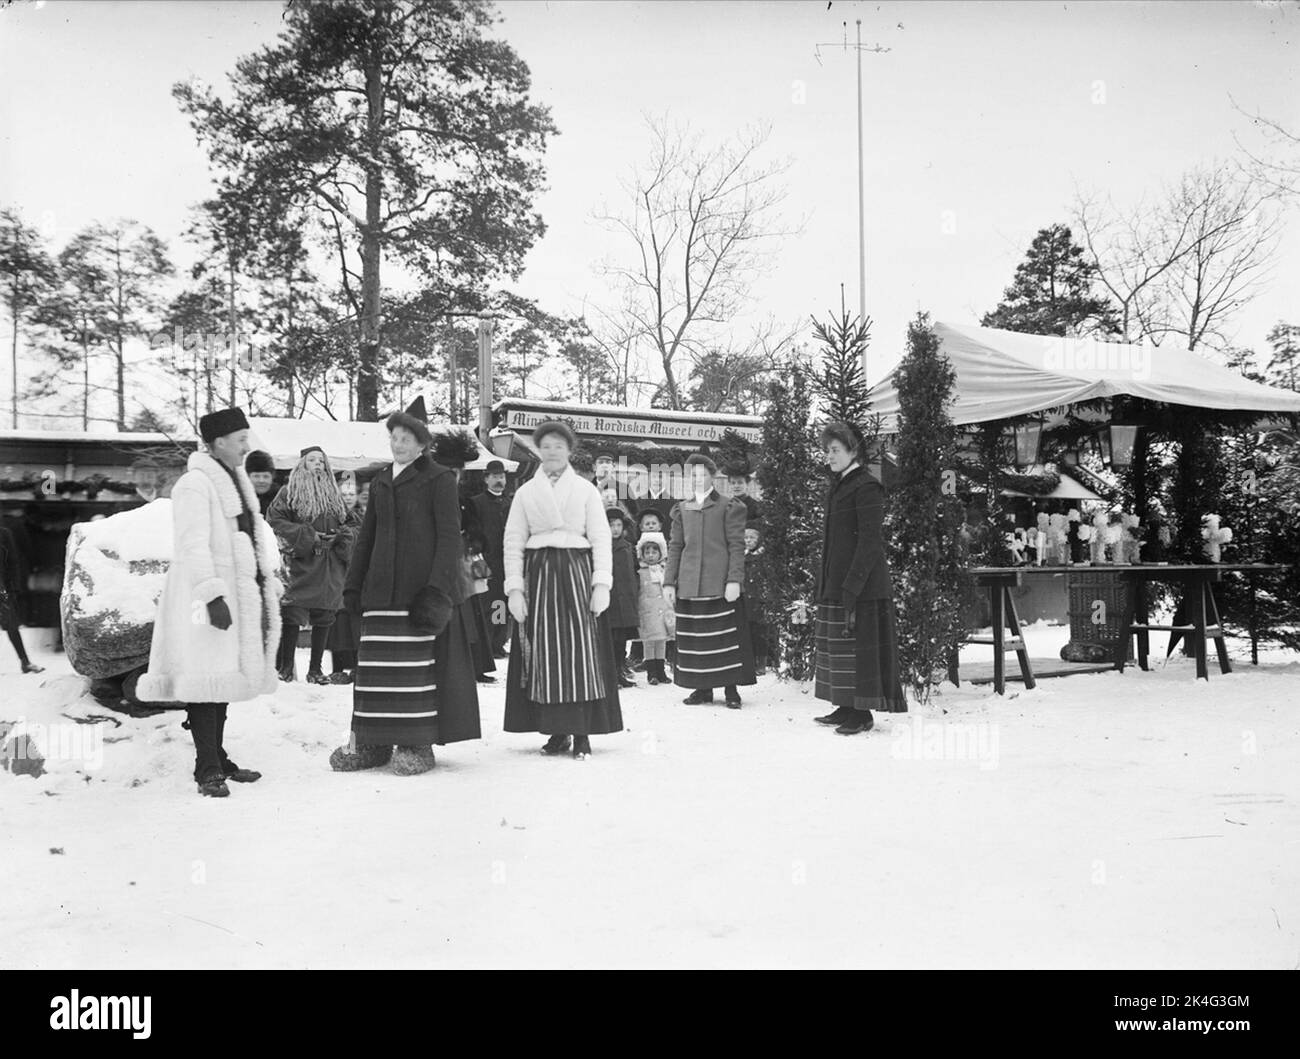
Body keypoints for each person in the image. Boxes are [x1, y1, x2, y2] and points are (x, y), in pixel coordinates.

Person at [136, 407, 283, 797]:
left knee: (221, 676)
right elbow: (192, 544)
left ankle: (217, 756)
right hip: (202, 595)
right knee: (204, 677)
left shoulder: (233, 481)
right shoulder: (195, 485)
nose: (246, 447)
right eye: (240, 440)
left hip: (232, 592)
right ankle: (207, 769)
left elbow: (246, 539)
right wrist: (211, 595)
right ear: (218, 442)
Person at [329, 398, 480, 776]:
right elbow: (366, 538)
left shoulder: (439, 479)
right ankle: (371, 743)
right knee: (374, 672)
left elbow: (449, 539)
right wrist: (353, 586)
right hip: (379, 592)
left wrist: (436, 590)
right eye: (394, 437)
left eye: (406, 438)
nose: (398, 444)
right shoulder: (380, 480)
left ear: (422, 443)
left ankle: (416, 744)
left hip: (417, 594)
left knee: (414, 674)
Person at [502, 420, 623, 760]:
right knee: (544, 652)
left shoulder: (585, 490)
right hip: (539, 575)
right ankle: (556, 732)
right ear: (538, 451)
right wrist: (515, 590)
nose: (552, 451)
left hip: (577, 574)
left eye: (559, 445)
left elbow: (601, 537)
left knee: (579, 652)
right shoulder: (526, 493)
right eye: (546, 446)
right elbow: (513, 542)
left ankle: (582, 733)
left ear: (570, 451)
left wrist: (602, 583)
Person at [813, 420, 907, 734]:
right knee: (840, 651)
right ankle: (845, 705)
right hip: (837, 581)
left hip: (863, 586)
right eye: (827, 450)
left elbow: (870, 542)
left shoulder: (866, 485)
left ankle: (862, 714)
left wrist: (852, 585)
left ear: (853, 450)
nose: (829, 455)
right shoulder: (840, 484)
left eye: (836, 450)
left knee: (857, 651)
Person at [664, 453, 755, 709]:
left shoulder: (729, 506)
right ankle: (702, 688)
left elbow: (737, 546)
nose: (697, 478)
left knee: (724, 639)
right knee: (697, 640)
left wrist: (734, 580)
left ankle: (731, 689)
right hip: (690, 584)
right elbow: (675, 546)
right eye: (693, 474)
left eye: (702, 473)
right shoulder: (683, 509)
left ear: (712, 476)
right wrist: (669, 582)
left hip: (720, 584)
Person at [267, 446, 361, 684]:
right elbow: (276, 521)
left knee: (326, 613)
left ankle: (315, 670)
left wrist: (344, 536)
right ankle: (286, 668)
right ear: (302, 465)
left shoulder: (334, 495)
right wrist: (307, 535)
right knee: (293, 612)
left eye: (321, 460)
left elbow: (354, 525)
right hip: (302, 561)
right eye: (312, 460)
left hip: (330, 564)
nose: (317, 463)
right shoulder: (289, 493)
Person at [431, 431, 497, 685]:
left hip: (462, 563)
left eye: (457, 473)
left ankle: (476, 665)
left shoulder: (464, 501)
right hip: (437, 563)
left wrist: (474, 539)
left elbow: (478, 531)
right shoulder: (431, 496)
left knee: (470, 614)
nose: (453, 478)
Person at [470, 459, 512, 658]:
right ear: (486, 479)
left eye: (501, 476)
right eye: (494, 476)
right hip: (483, 562)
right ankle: (484, 645)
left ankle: (497, 642)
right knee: (485, 604)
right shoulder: (476, 503)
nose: (499, 481)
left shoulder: (509, 503)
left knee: (501, 604)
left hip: (506, 564)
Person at [326, 473, 363, 683]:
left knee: (356, 624)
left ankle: (358, 666)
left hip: (357, 575)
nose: (348, 497)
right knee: (339, 623)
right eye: (344, 492)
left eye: (352, 493)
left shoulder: (362, 516)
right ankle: (338, 667)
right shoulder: (333, 516)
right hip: (338, 574)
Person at [606, 507, 641, 688]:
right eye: (612, 525)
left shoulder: (628, 547)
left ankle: (620, 672)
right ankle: (609, 675)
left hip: (625, 602)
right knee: (609, 641)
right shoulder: (601, 546)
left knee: (621, 642)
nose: (616, 529)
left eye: (619, 525)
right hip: (610, 602)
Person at [1, 525, 42, 674]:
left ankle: (25, 662)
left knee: (11, 624)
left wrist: (13, 588)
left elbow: (12, 562)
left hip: (2, 589)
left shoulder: (4, 533)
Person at [635, 531, 674, 685]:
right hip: (647, 611)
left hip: (663, 610)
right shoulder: (640, 572)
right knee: (649, 641)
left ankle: (661, 670)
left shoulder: (663, 571)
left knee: (662, 640)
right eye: (647, 552)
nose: (651, 555)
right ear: (642, 554)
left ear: (661, 553)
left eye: (654, 551)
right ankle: (651, 672)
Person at [743, 522, 772, 675]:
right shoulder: (742, 556)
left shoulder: (763, 557)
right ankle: (750, 661)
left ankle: (762, 662)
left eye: (752, 537)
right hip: (746, 598)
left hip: (759, 599)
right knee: (747, 630)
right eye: (746, 537)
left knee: (760, 632)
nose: (748, 540)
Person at [244, 450, 278, 516]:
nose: (261, 481)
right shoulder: (241, 500)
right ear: (247, 476)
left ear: (272, 477)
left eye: (266, 476)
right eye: (256, 476)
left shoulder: (282, 501)